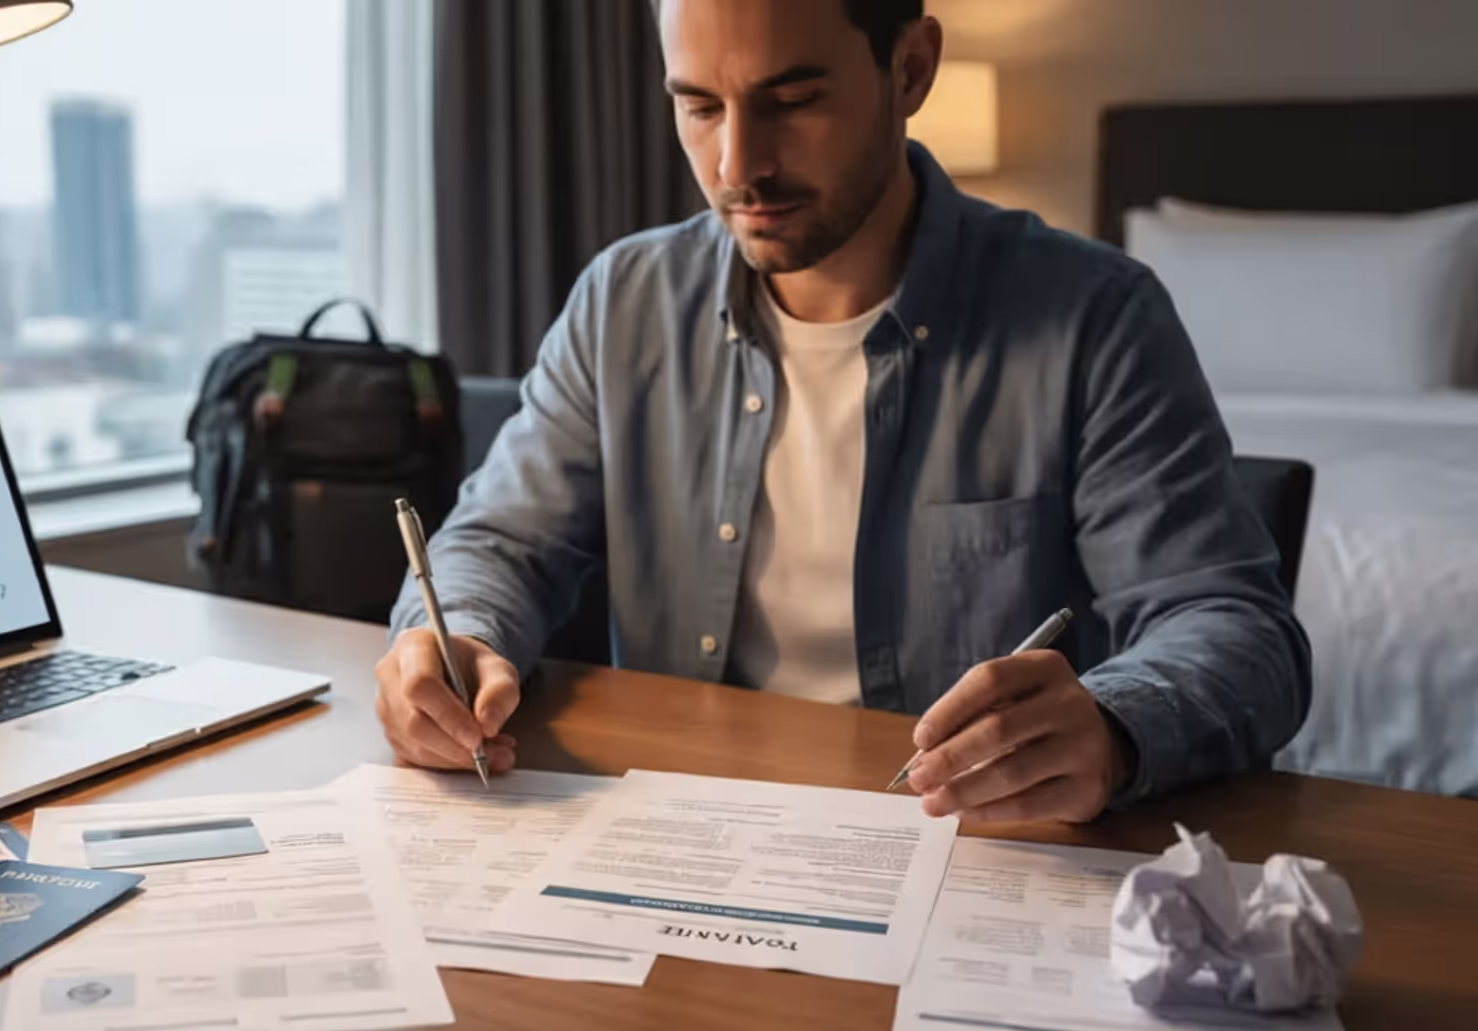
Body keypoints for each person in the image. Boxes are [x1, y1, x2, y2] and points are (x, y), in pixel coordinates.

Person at [375, 0, 1310, 826]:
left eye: (792, 100)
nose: (739, 164)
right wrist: (451, 637)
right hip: (677, 833)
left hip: (965, 849)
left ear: (909, 69)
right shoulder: (624, 300)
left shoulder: (1093, 317)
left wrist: (1112, 725)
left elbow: (1236, 630)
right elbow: (500, 542)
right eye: (699, 105)